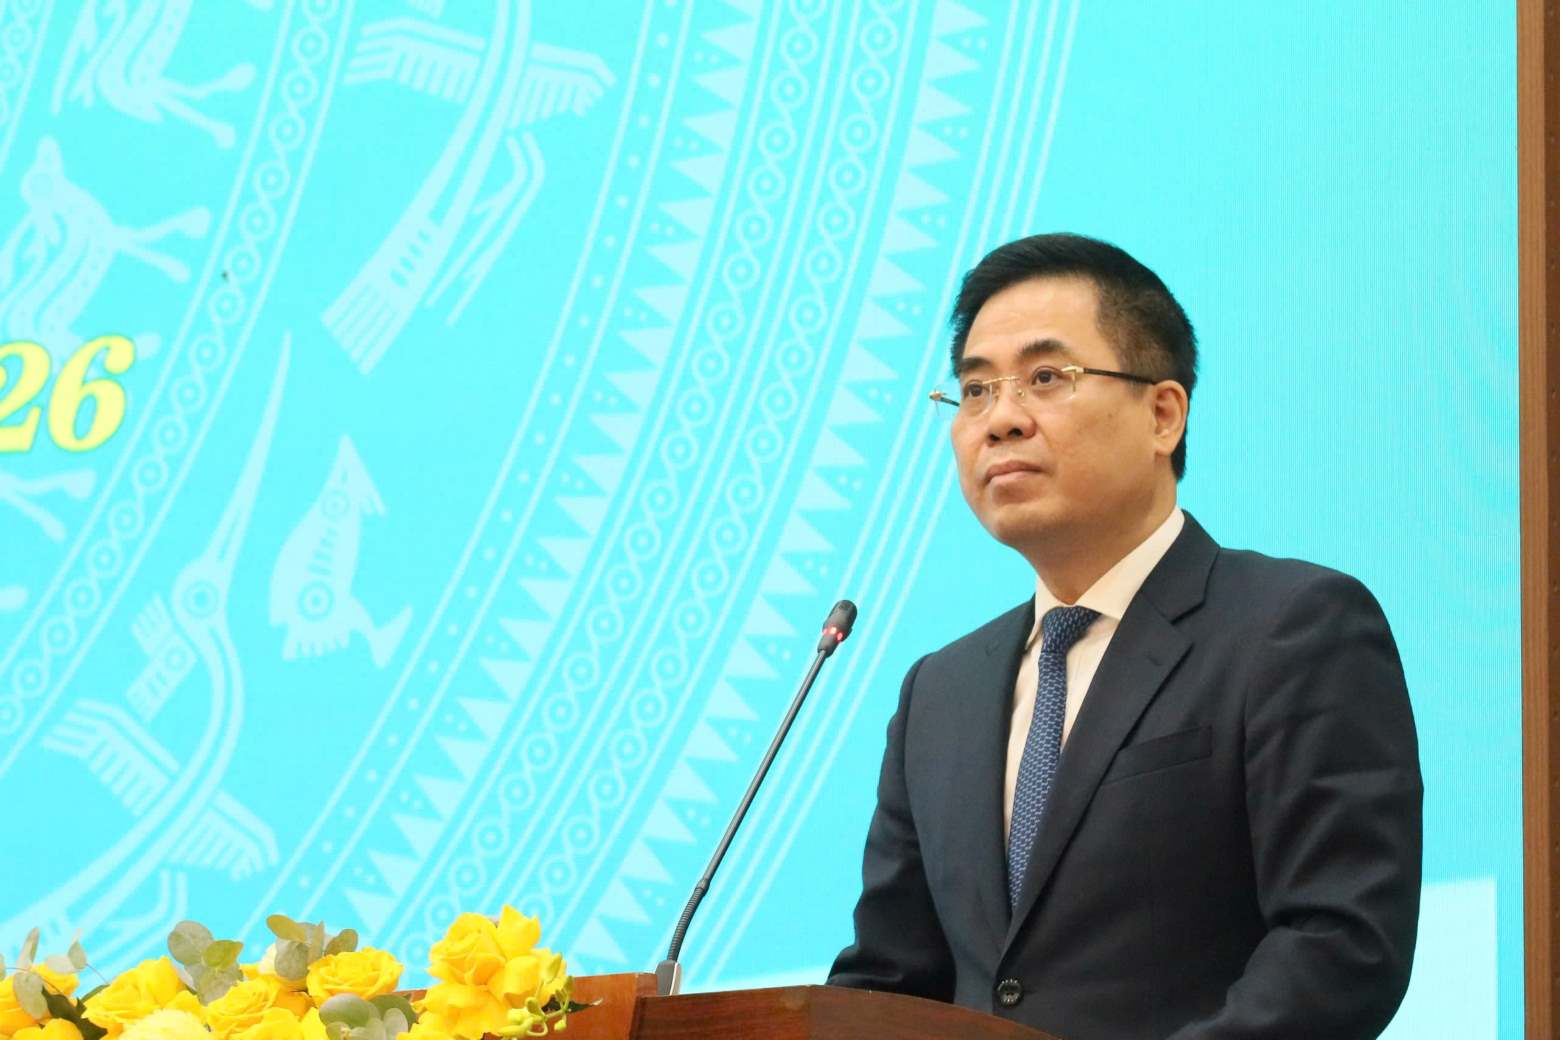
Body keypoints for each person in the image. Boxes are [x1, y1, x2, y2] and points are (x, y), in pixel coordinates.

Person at [828, 233, 1422, 1040]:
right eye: (973, 391)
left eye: (1045, 378)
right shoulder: (941, 691)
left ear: (1163, 414)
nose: (999, 420)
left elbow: (1340, 945)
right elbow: (888, 986)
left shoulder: (1293, 628)